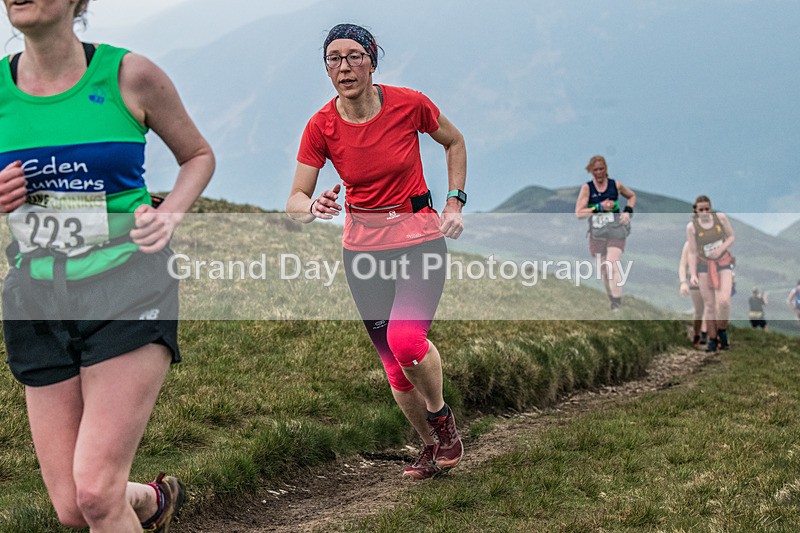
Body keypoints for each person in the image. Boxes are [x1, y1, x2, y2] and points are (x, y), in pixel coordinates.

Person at [0, 1, 214, 531]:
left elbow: (198, 155)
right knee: (76, 507)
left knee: (95, 492)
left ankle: (118, 502)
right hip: (36, 298)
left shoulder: (129, 75)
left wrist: (168, 217)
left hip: (129, 286)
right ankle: (150, 502)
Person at [286, 23, 466, 480]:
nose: (343, 67)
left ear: (371, 60)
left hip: (419, 236)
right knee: (392, 365)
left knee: (406, 341)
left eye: (353, 56)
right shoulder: (321, 126)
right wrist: (311, 205)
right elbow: (294, 201)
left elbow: (454, 141)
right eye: (333, 59)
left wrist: (453, 201)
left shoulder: (409, 104)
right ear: (326, 69)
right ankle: (430, 446)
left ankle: (441, 418)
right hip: (363, 250)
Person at [574, 155, 636, 310]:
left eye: (601, 169)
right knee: (603, 269)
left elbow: (632, 196)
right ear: (591, 171)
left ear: (606, 169)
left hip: (616, 229)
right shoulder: (587, 188)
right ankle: (611, 298)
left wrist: (628, 212)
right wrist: (599, 207)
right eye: (595, 170)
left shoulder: (616, 185)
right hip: (597, 232)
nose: (599, 172)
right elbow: (579, 214)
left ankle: (617, 303)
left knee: (612, 264)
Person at [687, 195, 735, 352]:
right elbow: (692, 252)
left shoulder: (720, 218)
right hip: (703, 265)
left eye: (707, 208)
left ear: (711, 208)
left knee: (723, 301)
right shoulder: (692, 227)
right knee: (709, 305)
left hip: (723, 262)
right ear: (696, 210)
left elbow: (731, 237)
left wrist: (720, 249)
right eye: (701, 209)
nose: (705, 212)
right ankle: (712, 340)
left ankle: (722, 330)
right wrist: (692, 274)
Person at [679, 239, 707, 346]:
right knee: (699, 309)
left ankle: (704, 334)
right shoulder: (689, 244)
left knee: (708, 307)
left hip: (710, 279)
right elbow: (683, 265)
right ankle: (698, 334)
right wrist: (683, 282)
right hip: (695, 280)